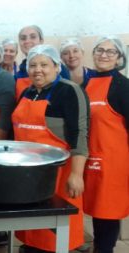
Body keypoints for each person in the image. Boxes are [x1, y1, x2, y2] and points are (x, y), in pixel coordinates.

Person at [12, 45, 89, 252]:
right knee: (30, 226)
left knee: (55, 231)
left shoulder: (69, 91)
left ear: (56, 67)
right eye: (33, 65)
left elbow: (79, 134)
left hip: (58, 174)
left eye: (44, 65)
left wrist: (76, 174)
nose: (38, 70)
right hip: (27, 172)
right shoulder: (27, 92)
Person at [82, 36, 129, 253]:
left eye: (111, 52)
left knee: (108, 209)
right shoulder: (86, 83)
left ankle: (104, 249)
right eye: (100, 50)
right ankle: (99, 246)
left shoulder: (123, 86)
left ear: (119, 58)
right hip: (90, 157)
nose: (104, 55)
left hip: (114, 160)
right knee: (94, 208)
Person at [16, 25, 70, 99]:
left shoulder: (59, 70)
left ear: (41, 41)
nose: (27, 41)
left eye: (33, 37)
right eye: (23, 38)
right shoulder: (18, 75)